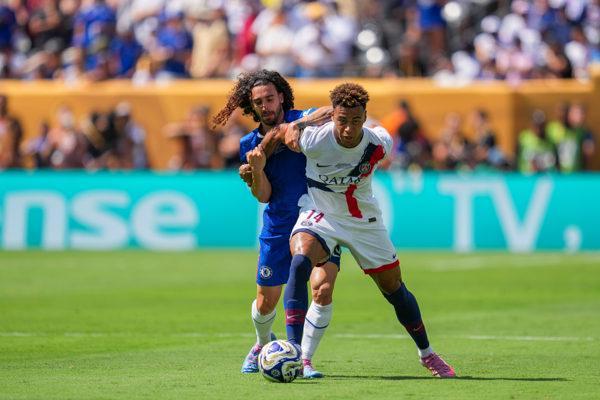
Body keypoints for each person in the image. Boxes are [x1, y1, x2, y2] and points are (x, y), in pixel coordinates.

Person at [271, 82, 456, 378]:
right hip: (321, 214)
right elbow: (279, 132)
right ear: (333, 116)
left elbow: (378, 134)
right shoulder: (314, 139)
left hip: (363, 221)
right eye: (342, 120)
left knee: (394, 289)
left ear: (365, 118)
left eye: (356, 121)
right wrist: (296, 126)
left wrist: (297, 124)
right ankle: (296, 352)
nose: (348, 129)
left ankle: (427, 354)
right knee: (301, 261)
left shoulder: (379, 143)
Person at [212, 69, 338, 376]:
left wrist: (296, 125)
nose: (265, 105)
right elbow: (264, 196)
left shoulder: (301, 117)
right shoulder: (249, 143)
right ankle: (261, 343)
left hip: (318, 219)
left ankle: (303, 358)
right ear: (252, 106)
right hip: (279, 223)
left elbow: (331, 112)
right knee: (266, 302)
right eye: (258, 102)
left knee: (322, 289)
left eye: (270, 98)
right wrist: (256, 170)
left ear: (281, 96)